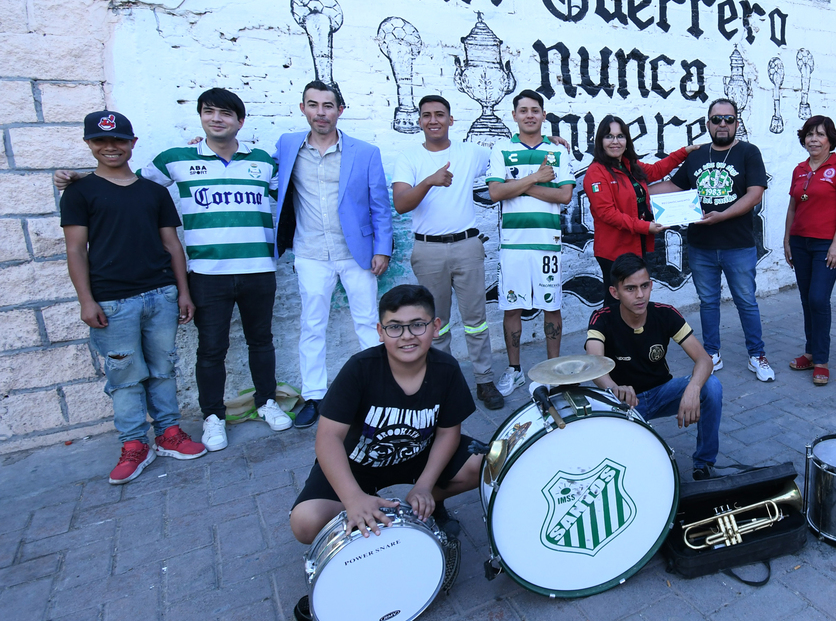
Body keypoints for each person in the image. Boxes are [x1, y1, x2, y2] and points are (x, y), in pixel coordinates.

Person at [55, 89, 291, 449]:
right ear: (200, 117)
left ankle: (267, 402)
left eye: (226, 114)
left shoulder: (263, 162)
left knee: (262, 341)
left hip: (259, 269)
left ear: (240, 121)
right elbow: (126, 183)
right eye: (209, 112)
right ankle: (213, 416)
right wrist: (82, 180)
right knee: (211, 349)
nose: (217, 119)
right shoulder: (175, 159)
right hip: (207, 274)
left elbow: (286, 198)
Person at [287, 284, 482, 621]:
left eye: (417, 324)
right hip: (358, 466)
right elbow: (328, 438)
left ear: (435, 327)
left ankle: (422, 505)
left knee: (482, 463)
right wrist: (352, 498)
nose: (407, 335)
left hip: (416, 457)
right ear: (380, 331)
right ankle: (373, 514)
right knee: (305, 523)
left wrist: (424, 485)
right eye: (395, 327)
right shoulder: (360, 369)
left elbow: (449, 432)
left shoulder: (446, 369)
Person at [60, 111, 206, 484]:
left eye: (119, 140)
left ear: (132, 144)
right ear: (89, 145)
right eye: (101, 141)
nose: (110, 147)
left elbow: (173, 245)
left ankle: (169, 433)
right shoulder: (80, 192)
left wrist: (183, 292)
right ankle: (133, 444)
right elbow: (76, 249)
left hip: (160, 295)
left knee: (162, 368)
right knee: (124, 376)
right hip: (112, 301)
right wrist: (85, 299)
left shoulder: (152, 192)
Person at [275, 81, 393, 429]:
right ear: (303, 109)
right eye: (313, 105)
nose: (320, 112)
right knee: (312, 325)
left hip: (355, 252)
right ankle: (314, 395)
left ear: (340, 110)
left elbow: (380, 206)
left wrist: (382, 249)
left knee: (368, 322)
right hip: (310, 252)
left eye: (328, 105)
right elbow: (258, 168)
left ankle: (379, 393)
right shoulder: (286, 146)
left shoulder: (365, 152)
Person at [392, 95, 504, 411]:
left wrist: (547, 141)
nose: (433, 120)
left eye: (440, 114)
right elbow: (401, 204)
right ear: (419, 121)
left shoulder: (469, 152)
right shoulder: (409, 158)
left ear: (451, 120)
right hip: (427, 249)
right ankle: (442, 384)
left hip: (467, 245)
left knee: (476, 321)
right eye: (426, 115)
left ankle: (484, 382)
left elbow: (508, 152)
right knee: (434, 324)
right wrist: (429, 181)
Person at [585, 253, 722, 480]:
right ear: (614, 292)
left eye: (645, 286)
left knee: (712, 386)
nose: (640, 295)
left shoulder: (665, 314)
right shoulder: (602, 318)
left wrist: (693, 388)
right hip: (624, 402)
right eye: (630, 289)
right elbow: (594, 362)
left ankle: (704, 465)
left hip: (661, 393)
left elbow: (705, 360)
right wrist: (614, 388)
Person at [670, 98, 774, 382]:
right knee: (708, 302)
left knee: (746, 301)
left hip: (738, 245)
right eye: (717, 119)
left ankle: (757, 355)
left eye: (729, 119)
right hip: (701, 244)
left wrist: (723, 215)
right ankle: (712, 353)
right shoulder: (696, 156)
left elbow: (755, 194)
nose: (723, 124)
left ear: (737, 123)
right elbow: (673, 187)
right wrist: (640, 190)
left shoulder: (748, 152)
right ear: (708, 124)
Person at [485, 89, 575, 396]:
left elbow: (564, 195)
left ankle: (553, 372)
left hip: (548, 243)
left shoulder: (559, 151)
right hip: (513, 245)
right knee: (512, 308)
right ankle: (515, 371)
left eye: (535, 110)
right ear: (514, 115)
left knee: (552, 307)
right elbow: (495, 193)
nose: (529, 115)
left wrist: (517, 187)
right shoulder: (501, 149)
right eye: (523, 110)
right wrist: (536, 178)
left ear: (543, 115)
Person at [584, 115, 695, 308]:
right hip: (614, 250)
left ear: (627, 141)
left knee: (635, 300)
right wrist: (645, 227)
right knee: (615, 303)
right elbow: (607, 213)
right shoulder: (596, 172)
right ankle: (606, 338)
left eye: (620, 136)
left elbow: (656, 171)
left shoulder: (629, 166)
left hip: (636, 245)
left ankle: (631, 336)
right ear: (600, 141)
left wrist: (684, 152)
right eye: (609, 136)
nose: (615, 142)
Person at [782, 115, 836, 386]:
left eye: (820, 134)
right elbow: (793, 208)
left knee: (818, 299)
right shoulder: (799, 169)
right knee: (806, 299)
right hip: (800, 242)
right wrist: (787, 240)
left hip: (825, 243)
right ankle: (810, 353)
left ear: (830, 139)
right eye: (810, 134)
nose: (814, 139)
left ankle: (821, 360)